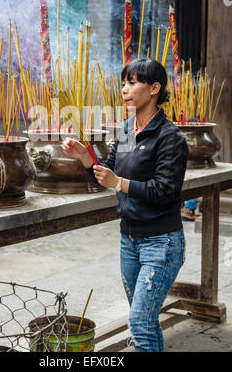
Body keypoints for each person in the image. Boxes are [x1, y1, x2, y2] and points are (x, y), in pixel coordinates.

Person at [61, 58, 188, 352]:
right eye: (123, 83)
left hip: (161, 242)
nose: (124, 89)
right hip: (129, 241)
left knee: (140, 323)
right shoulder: (127, 130)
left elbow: (165, 190)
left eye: (132, 83)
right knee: (145, 320)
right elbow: (107, 169)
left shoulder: (170, 137)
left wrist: (119, 183)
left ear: (154, 88)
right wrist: (85, 157)